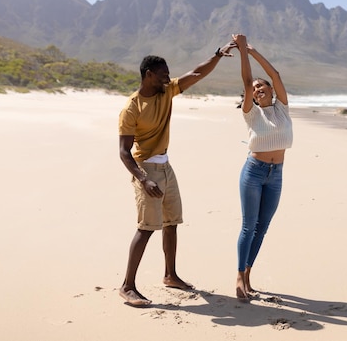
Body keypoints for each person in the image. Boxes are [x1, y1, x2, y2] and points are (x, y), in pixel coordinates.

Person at [118, 43, 235, 306]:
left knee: (172, 223)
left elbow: (196, 74)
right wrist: (143, 179)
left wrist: (216, 56)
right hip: (146, 169)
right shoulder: (132, 108)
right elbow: (124, 152)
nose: (167, 78)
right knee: (147, 228)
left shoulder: (166, 91)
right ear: (148, 74)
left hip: (166, 167)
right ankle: (127, 286)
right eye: (162, 74)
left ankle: (170, 275)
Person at [232, 34, 293, 301]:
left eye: (262, 86)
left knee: (262, 227)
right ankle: (238, 277)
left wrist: (253, 50)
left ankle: (248, 275)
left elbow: (276, 74)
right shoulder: (252, 113)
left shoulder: (282, 109)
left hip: (276, 175)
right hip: (254, 172)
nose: (257, 89)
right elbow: (246, 83)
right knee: (249, 226)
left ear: (270, 89)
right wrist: (243, 52)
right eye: (254, 89)